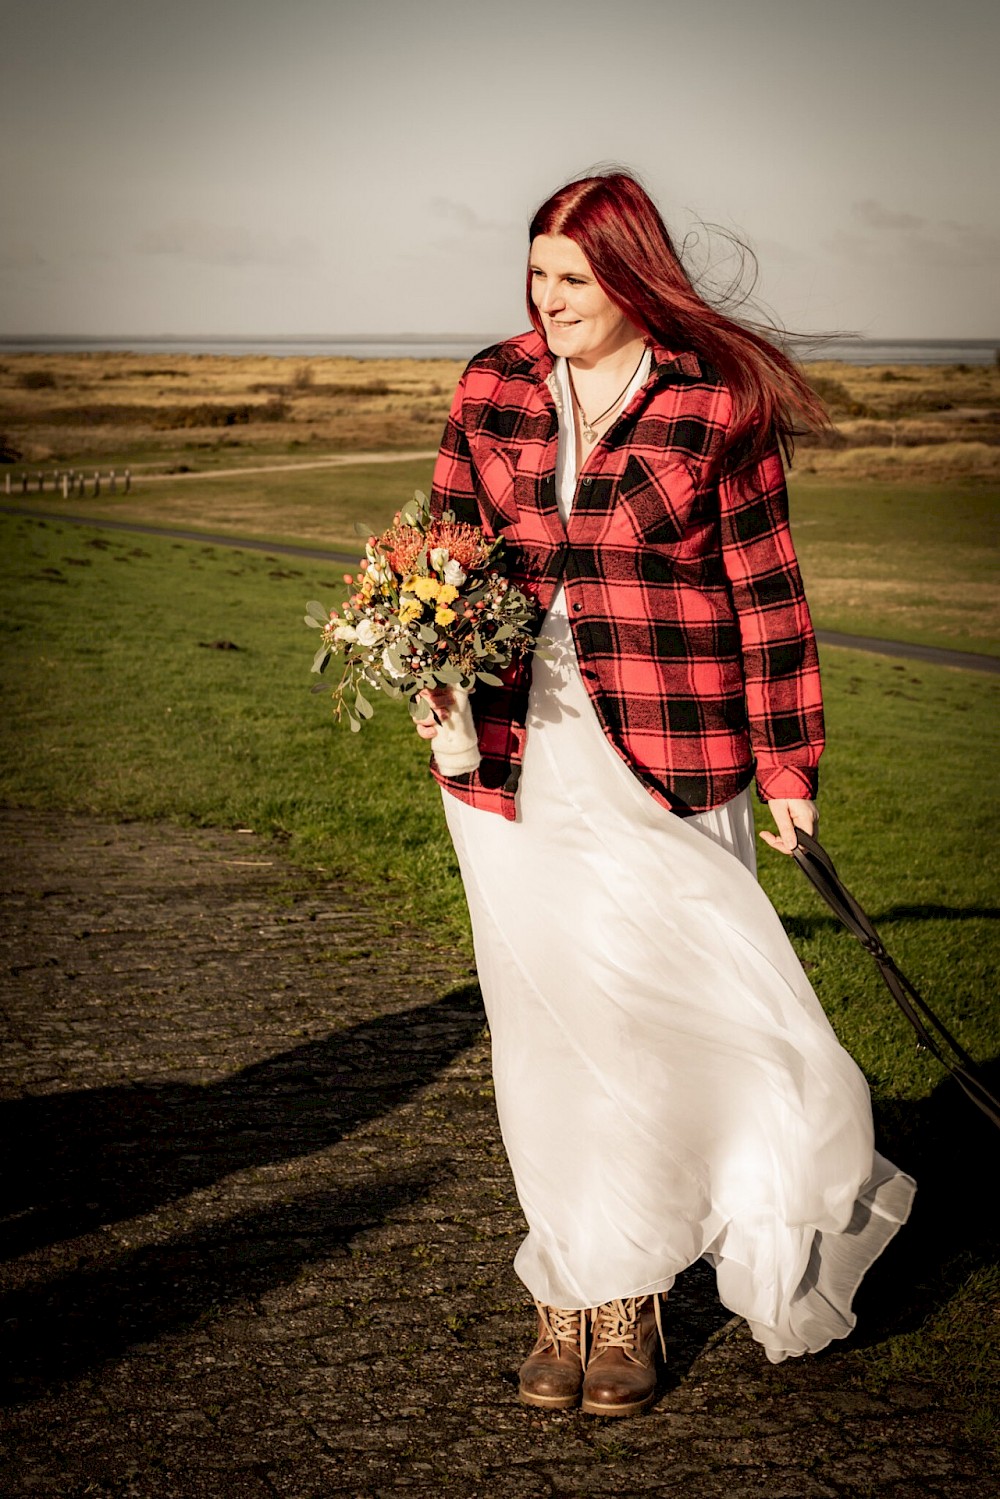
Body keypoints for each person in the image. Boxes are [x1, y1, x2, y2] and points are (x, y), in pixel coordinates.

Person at [416, 170, 915, 1418]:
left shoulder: (713, 403)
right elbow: (441, 549)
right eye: (537, 274)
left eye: (573, 279)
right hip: (507, 761)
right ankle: (584, 1293)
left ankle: (686, 1235)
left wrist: (790, 762)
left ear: (634, 277)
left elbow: (768, 590)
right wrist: (422, 674)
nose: (549, 299)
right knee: (546, 1026)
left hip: (676, 757)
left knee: (674, 1015)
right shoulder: (492, 383)